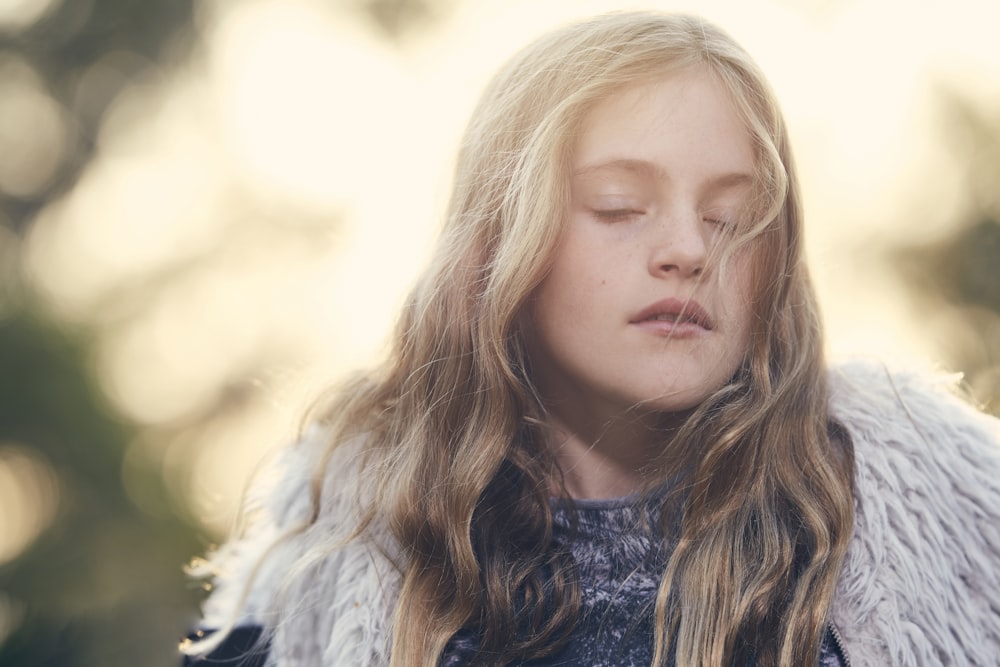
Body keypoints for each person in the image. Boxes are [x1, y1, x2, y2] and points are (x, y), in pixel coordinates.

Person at [180, 11, 1000, 667]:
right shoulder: (334, 560)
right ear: (501, 241)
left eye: (731, 218)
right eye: (618, 205)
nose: (688, 248)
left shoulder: (931, 524)